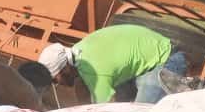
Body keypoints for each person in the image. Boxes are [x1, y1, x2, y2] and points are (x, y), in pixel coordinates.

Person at [38, 24, 187, 104]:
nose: (57, 85)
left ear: (65, 68)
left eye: (54, 80)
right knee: (122, 104)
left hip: (167, 59)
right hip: (144, 63)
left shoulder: (94, 72)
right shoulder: (79, 52)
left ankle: (193, 89)